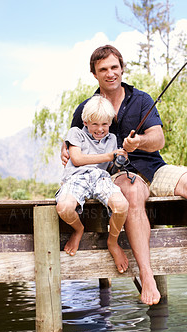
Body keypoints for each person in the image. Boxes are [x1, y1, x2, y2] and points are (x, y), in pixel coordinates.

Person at [61, 45, 187, 305]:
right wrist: (63, 150)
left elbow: (159, 139)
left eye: (114, 67)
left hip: (154, 166)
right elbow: (72, 144)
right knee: (131, 193)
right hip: (118, 173)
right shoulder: (86, 107)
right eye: (103, 70)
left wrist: (139, 141)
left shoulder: (141, 99)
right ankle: (148, 276)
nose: (110, 74)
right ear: (94, 74)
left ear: (121, 68)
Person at [56, 94, 129, 274]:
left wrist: (118, 160)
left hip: (100, 178)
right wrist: (109, 156)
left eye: (104, 124)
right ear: (86, 121)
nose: (100, 129)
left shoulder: (111, 138)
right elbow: (78, 158)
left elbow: (110, 166)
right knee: (64, 207)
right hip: (77, 177)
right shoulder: (76, 133)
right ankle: (78, 229)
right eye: (95, 124)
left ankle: (112, 242)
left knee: (121, 206)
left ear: (110, 123)